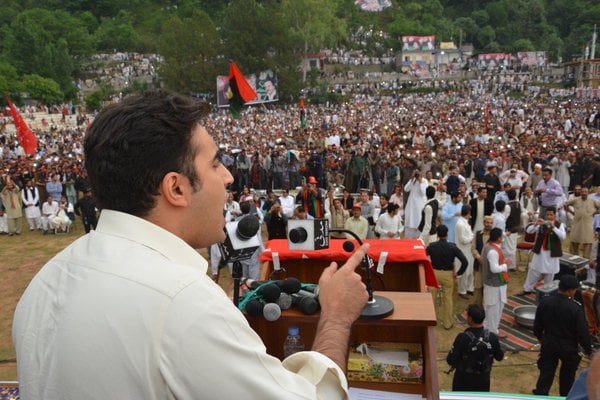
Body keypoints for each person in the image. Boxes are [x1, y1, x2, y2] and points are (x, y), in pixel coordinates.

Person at [12, 91, 370, 400]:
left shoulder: (47, 279)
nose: (229, 176)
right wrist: (336, 317)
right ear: (176, 188)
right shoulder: (182, 302)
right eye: (215, 164)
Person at [533, 275, 592, 396]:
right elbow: (582, 332)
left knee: (545, 374)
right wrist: (589, 350)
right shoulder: (575, 308)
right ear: (570, 290)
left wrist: (541, 339)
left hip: (549, 344)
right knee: (567, 378)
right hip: (569, 348)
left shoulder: (545, 302)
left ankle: (540, 395)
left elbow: (537, 326)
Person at [446, 304, 504, 391]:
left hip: (462, 382)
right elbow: (500, 357)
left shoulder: (462, 338)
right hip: (483, 382)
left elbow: (450, 360)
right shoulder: (492, 337)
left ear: (470, 319)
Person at [427, 225, 468, 330]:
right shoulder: (452, 247)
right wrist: (458, 273)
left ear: (437, 234)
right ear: (447, 234)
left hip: (434, 273)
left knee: (431, 298)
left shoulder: (432, 246)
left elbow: (423, 255)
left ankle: (431, 320)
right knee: (448, 299)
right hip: (448, 274)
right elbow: (465, 261)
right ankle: (447, 323)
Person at [518, 207, 567, 295]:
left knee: (550, 272)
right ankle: (527, 288)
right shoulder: (542, 224)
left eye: (551, 215)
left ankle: (547, 290)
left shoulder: (560, 225)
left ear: (555, 215)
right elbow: (529, 231)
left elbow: (563, 237)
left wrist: (553, 227)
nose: (548, 216)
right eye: (547, 214)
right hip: (541, 252)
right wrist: (536, 224)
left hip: (552, 253)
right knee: (534, 270)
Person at [481, 227, 511, 336]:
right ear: (499, 238)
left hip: (497, 284)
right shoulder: (492, 251)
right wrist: (505, 265)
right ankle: (492, 333)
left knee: (496, 308)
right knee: (493, 310)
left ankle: (491, 329)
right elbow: (494, 269)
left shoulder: (491, 247)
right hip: (493, 285)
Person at [563, 187, 600, 260]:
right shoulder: (576, 200)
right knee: (574, 241)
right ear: (580, 193)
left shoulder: (592, 201)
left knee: (588, 242)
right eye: (582, 192)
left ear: (588, 193)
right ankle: (573, 260)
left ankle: (585, 261)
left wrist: (596, 212)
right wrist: (571, 212)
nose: (584, 193)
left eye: (585, 192)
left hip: (588, 224)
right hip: (577, 223)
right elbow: (565, 204)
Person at [471, 216, 494, 305]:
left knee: (488, 287)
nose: (489, 224)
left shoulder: (494, 235)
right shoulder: (477, 234)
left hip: (489, 266)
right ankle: (477, 306)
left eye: (491, 223)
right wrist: (478, 257)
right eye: (487, 222)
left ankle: (486, 306)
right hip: (478, 265)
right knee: (478, 286)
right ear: (484, 223)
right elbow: (473, 248)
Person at [456, 205, 475, 299]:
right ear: (468, 213)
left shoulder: (466, 222)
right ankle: (462, 291)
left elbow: (470, 234)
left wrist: (472, 237)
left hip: (469, 249)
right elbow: (463, 240)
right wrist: (472, 238)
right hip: (463, 250)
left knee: (470, 269)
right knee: (464, 270)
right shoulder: (460, 224)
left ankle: (469, 288)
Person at [403, 169, 428, 238]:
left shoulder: (424, 181)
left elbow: (423, 192)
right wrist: (411, 179)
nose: (417, 174)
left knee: (419, 222)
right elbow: (406, 189)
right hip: (411, 205)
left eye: (418, 172)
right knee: (410, 222)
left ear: (421, 173)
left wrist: (420, 182)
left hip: (420, 205)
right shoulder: (413, 180)